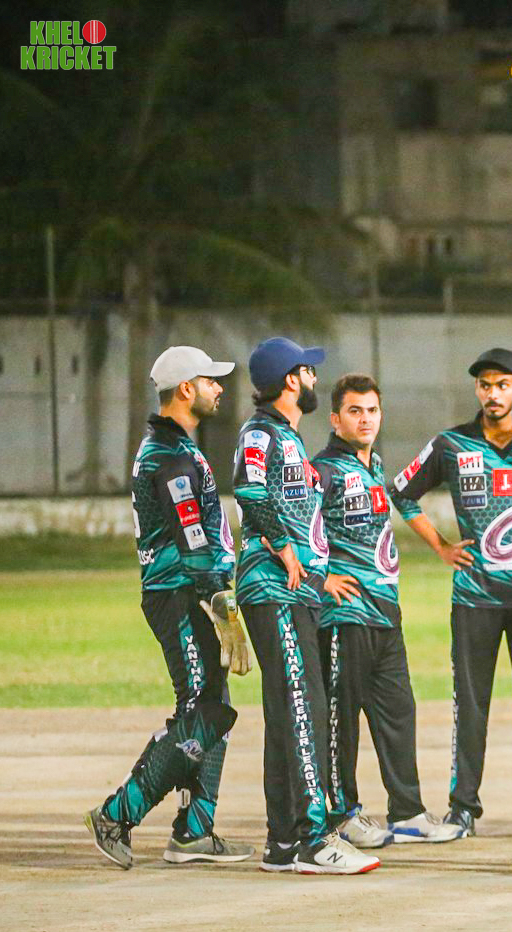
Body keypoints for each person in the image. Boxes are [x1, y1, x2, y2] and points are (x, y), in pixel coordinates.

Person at [85, 346, 254, 869]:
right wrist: (222, 605)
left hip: (187, 590)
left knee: (212, 710)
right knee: (202, 710)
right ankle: (117, 813)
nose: (219, 388)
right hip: (180, 594)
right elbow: (192, 538)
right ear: (186, 389)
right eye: (210, 380)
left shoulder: (173, 446)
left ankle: (195, 831)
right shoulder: (169, 456)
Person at [390, 348, 512, 840]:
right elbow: (400, 491)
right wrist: (441, 546)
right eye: (485, 385)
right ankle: (463, 808)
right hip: (474, 598)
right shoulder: (452, 444)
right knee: (471, 705)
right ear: (477, 390)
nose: (493, 394)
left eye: (502, 384)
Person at [234, 337, 379, 875]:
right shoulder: (261, 433)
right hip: (274, 589)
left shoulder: (288, 436)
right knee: (305, 708)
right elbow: (249, 490)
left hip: (296, 591)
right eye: (308, 370)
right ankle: (314, 839)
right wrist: (284, 545)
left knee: (287, 713)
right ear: (291, 380)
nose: (316, 378)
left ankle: (282, 841)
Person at [312, 373, 444, 847]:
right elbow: (280, 525)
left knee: (399, 712)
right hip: (344, 618)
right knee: (341, 722)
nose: (365, 419)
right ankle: (341, 815)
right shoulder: (322, 470)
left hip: (385, 615)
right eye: (354, 411)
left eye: (371, 410)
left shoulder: (373, 466)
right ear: (335, 419)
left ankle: (407, 812)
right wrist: (321, 579)